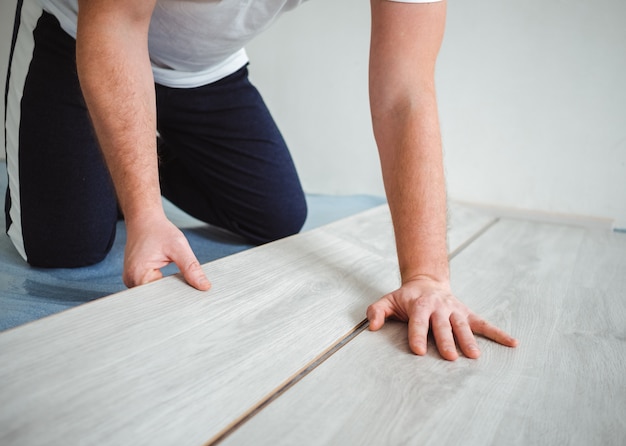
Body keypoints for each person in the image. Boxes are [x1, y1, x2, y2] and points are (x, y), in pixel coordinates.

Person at [4, 0, 518, 360]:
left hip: (205, 70)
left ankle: (127, 152)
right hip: (78, 35)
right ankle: (109, 156)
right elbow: (115, 23)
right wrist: (145, 212)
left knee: (277, 216)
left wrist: (427, 277)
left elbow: (404, 90)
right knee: (66, 245)